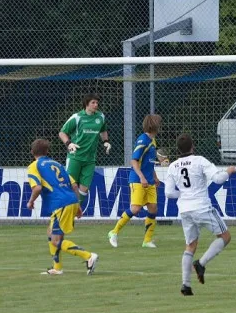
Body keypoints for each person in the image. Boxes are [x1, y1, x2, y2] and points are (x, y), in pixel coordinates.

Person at [164, 133, 236, 296]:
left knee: (190, 245)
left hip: (185, 210)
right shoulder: (200, 161)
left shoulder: (173, 166)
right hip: (202, 207)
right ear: (193, 146)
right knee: (225, 236)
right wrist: (229, 171)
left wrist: (183, 194)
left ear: (178, 149)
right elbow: (218, 179)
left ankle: (185, 285)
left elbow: (168, 193)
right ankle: (201, 263)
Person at [26, 138, 99, 276]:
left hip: (60, 204)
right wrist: (77, 205)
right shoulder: (57, 164)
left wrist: (30, 202)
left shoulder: (34, 166)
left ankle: (88, 256)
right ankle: (57, 268)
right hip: (70, 200)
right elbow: (74, 186)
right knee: (51, 233)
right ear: (47, 151)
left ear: (32, 152)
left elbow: (37, 188)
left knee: (56, 240)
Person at [108, 114, 163, 248]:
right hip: (138, 180)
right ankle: (113, 232)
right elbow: (134, 161)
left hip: (149, 181)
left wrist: (155, 177)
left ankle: (147, 241)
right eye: (159, 124)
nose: (160, 126)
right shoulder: (143, 140)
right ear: (154, 126)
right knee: (135, 208)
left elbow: (149, 163)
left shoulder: (153, 141)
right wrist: (142, 177)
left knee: (153, 208)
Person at [59, 93, 111, 203]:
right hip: (75, 157)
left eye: (97, 103)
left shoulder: (100, 117)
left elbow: (103, 130)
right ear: (86, 104)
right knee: (70, 185)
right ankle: (63, 209)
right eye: (93, 103)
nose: (96, 105)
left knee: (84, 189)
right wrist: (69, 143)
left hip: (90, 159)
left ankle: (76, 209)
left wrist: (106, 141)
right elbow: (62, 133)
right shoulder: (77, 117)